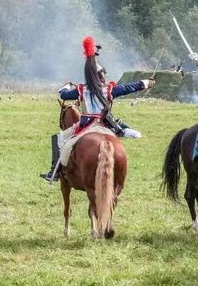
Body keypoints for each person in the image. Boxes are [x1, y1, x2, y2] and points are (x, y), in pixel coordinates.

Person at [40, 36, 154, 181]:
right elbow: (128, 88)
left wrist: (67, 85)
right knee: (126, 131)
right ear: (102, 77)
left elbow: (63, 95)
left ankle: (54, 173)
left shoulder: (82, 89)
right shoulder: (109, 89)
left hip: (85, 125)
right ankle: (125, 132)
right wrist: (146, 83)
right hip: (106, 123)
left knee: (60, 138)